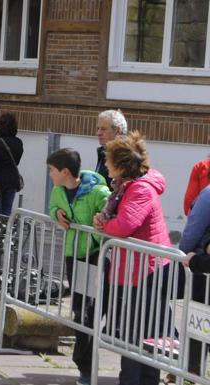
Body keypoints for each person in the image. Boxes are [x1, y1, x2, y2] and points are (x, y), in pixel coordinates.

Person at [93, 131, 171, 385]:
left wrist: (105, 225)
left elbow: (125, 225)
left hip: (146, 272)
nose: (105, 164)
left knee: (139, 334)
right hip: (135, 269)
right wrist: (104, 220)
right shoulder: (126, 187)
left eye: (109, 160)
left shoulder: (140, 190)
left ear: (121, 164)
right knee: (136, 333)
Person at [47, 148, 110, 385]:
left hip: (95, 254)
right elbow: (52, 207)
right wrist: (57, 213)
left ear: (65, 172)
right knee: (79, 308)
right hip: (74, 254)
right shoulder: (59, 190)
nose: (50, 175)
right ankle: (84, 362)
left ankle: (85, 363)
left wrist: (98, 224)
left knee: (90, 310)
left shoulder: (98, 191)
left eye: (52, 171)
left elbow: (108, 216)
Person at [179, 185, 210, 379]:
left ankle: (190, 376)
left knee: (198, 333)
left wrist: (189, 258)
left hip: (202, 274)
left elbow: (193, 229)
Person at [0, 113, 23, 215]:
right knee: (7, 211)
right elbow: (16, 161)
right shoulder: (18, 142)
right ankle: (6, 231)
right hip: (12, 181)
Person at [95, 109, 127, 189]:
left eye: (103, 129)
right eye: (98, 128)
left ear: (118, 131)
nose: (98, 133)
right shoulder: (103, 152)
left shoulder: (126, 157)